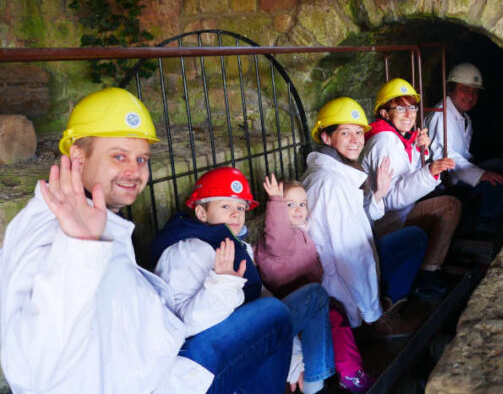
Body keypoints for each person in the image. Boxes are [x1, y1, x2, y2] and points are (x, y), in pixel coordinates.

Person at [0, 87, 293, 394]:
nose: (134, 171)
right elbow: (32, 371)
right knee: (274, 317)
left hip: (157, 364)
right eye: (118, 156)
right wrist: (79, 247)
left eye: (141, 159)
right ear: (78, 155)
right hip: (158, 382)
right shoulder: (57, 231)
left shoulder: (92, 216)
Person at [150, 166, 334, 394]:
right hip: (213, 358)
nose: (236, 214)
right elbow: (180, 326)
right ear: (201, 213)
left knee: (313, 295)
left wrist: (296, 360)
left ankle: (314, 385)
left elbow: (262, 297)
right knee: (271, 309)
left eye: (240, 207)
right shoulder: (187, 251)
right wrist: (221, 285)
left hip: (250, 332)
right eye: (225, 206)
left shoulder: (236, 245)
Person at [302, 97, 428, 339]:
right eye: (346, 133)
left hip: (339, 274)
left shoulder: (333, 171)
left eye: (359, 133)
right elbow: (353, 255)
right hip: (341, 284)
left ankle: (389, 301)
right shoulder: (333, 184)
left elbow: (360, 219)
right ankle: (385, 318)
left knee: (413, 237)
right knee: (415, 237)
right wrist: (373, 313)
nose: (356, 141)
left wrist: (379, 192)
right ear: (327, 138)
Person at [255, 175, 374, 392]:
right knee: (335, 318)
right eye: (289, 204)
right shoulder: (279, 242)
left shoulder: (300, 233)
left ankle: (331, 375)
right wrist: (275, 201)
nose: (298, 209)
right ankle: (349, 373)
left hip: (306, 294)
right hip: (291, 296)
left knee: (335, 317)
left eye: (302, 203)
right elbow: (277, 232)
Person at [361, 78, 462, 297]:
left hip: (398, 213)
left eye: (412, 107)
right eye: (400, 108)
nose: (409, 114)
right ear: (385, 114)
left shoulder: (399, 138)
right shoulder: (384, 142)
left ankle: (426, 269)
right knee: (450, 206)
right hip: (386, 222)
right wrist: (429, 171)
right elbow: (389, 199)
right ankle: (426, 275)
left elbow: (406, 174)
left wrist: (421, 152)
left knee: (449, 200)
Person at [424, 63, 503, 233]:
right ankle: (482, 227)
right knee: (494, 180)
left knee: (499, 166)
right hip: (442, 183)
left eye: (474, 92)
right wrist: (479, 174)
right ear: (450, 89)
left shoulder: (463, 117)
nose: (470, 96)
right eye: (464, 90)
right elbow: (443, 155)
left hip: (457, 174)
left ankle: (489, 216)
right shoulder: (441, 115)